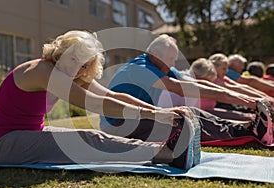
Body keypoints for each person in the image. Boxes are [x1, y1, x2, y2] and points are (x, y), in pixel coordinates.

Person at [0, 30, 203, 170]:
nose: (76, 67)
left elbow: (111, 95)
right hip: (2, 145)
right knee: (87, 140)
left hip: (29, 134)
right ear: (60, 52)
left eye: (84, 64)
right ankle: (165, 155)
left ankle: (161, 148)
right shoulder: (43, 71)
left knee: (94, 136)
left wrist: (159, 112)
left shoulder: (74, 72)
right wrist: (158, 115)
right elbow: (96, 104)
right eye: (73, 58)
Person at [100, 34, 273, 146]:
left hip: (140, 116)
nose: (173, 64)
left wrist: (247, 98)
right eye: (171, 59)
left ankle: (247, 129)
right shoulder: (140, 68)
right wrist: (250, 101)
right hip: (119, 125)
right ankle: (245, 133)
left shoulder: (161, 65)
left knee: (191, 112)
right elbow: (181, 88)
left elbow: (202, 85)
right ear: (154, 53)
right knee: (183, 121)